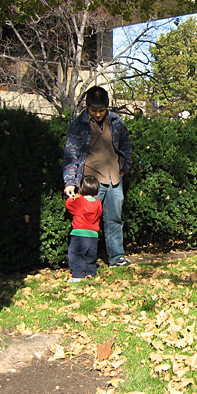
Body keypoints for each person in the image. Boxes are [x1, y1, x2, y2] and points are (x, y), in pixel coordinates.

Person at [63, 86, 133, 267]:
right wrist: (70, 182)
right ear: (87, 107)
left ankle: (117, 257)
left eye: (102, 110)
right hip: (90, 180)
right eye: (94, 111)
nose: (98, 114)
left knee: (115, 219)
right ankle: (85, 261)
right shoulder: (78, 125)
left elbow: (125, 145)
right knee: (86, 222)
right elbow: (71, 154)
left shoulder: (117, 122)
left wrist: (125, 165)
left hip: (115, 178)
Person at [66, 175, 102, 282]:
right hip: (93, 235)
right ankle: (90, 274)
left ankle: (77, 275)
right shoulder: (97, 202)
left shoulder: (79, 200)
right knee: (90, 257)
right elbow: (100, 213)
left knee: (76, 255)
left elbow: (69, 205)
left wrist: (72, 197)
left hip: (79, 233)